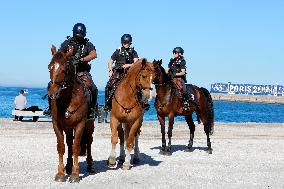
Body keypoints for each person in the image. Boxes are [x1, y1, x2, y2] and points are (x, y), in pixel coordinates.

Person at [45, 23, 98, 119]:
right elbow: (59, 55)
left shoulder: (88, 44)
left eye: (81, 36)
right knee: (51, 85)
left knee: (93, 88)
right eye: (77, 36)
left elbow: (94, 54)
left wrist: (82, 60)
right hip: (67, 73)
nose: (79, 38)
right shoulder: (66, 43)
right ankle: (50, 108)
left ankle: (92, 110)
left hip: (82, 72)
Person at [104, 34, 149, 111]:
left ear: (130, 43)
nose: (126, 44)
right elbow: (110, 62)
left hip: (130, 73)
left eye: (128, 42)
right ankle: (108, 104)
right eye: (125, 42)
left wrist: (128, 65)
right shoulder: (117, 51)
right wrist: (110, 70)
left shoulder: (133, 52)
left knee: (141, 85)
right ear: (122, 42)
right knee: (109, 85)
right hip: (118, 72)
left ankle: (144, 103)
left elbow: (136, 63)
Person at [166, 47, 196, 111]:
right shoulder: (171, 61)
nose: (174, 54)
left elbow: (183, 72)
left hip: (179, 78)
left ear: (179, 53)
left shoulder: (182, 61)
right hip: (171, 78)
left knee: (184, 89)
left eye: (175, 53)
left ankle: (186, 102)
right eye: (173, 53)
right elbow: (167, 69)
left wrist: (175, 74)